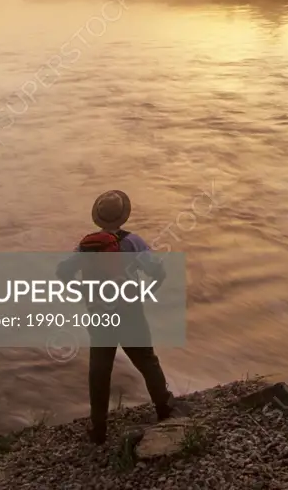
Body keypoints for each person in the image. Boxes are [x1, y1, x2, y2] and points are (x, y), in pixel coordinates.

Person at [56, 189, 178, 444]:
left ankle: (98, 428)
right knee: (146, 361)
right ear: (123, 216)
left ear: (98, 218)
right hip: (129, 310)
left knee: (99, 370)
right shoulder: (133, 242)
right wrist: (143, 294)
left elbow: (63, 272)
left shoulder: (86, 245)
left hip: (99, 312)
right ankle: (164, 408)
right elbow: (159, 273)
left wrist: (82, 291)